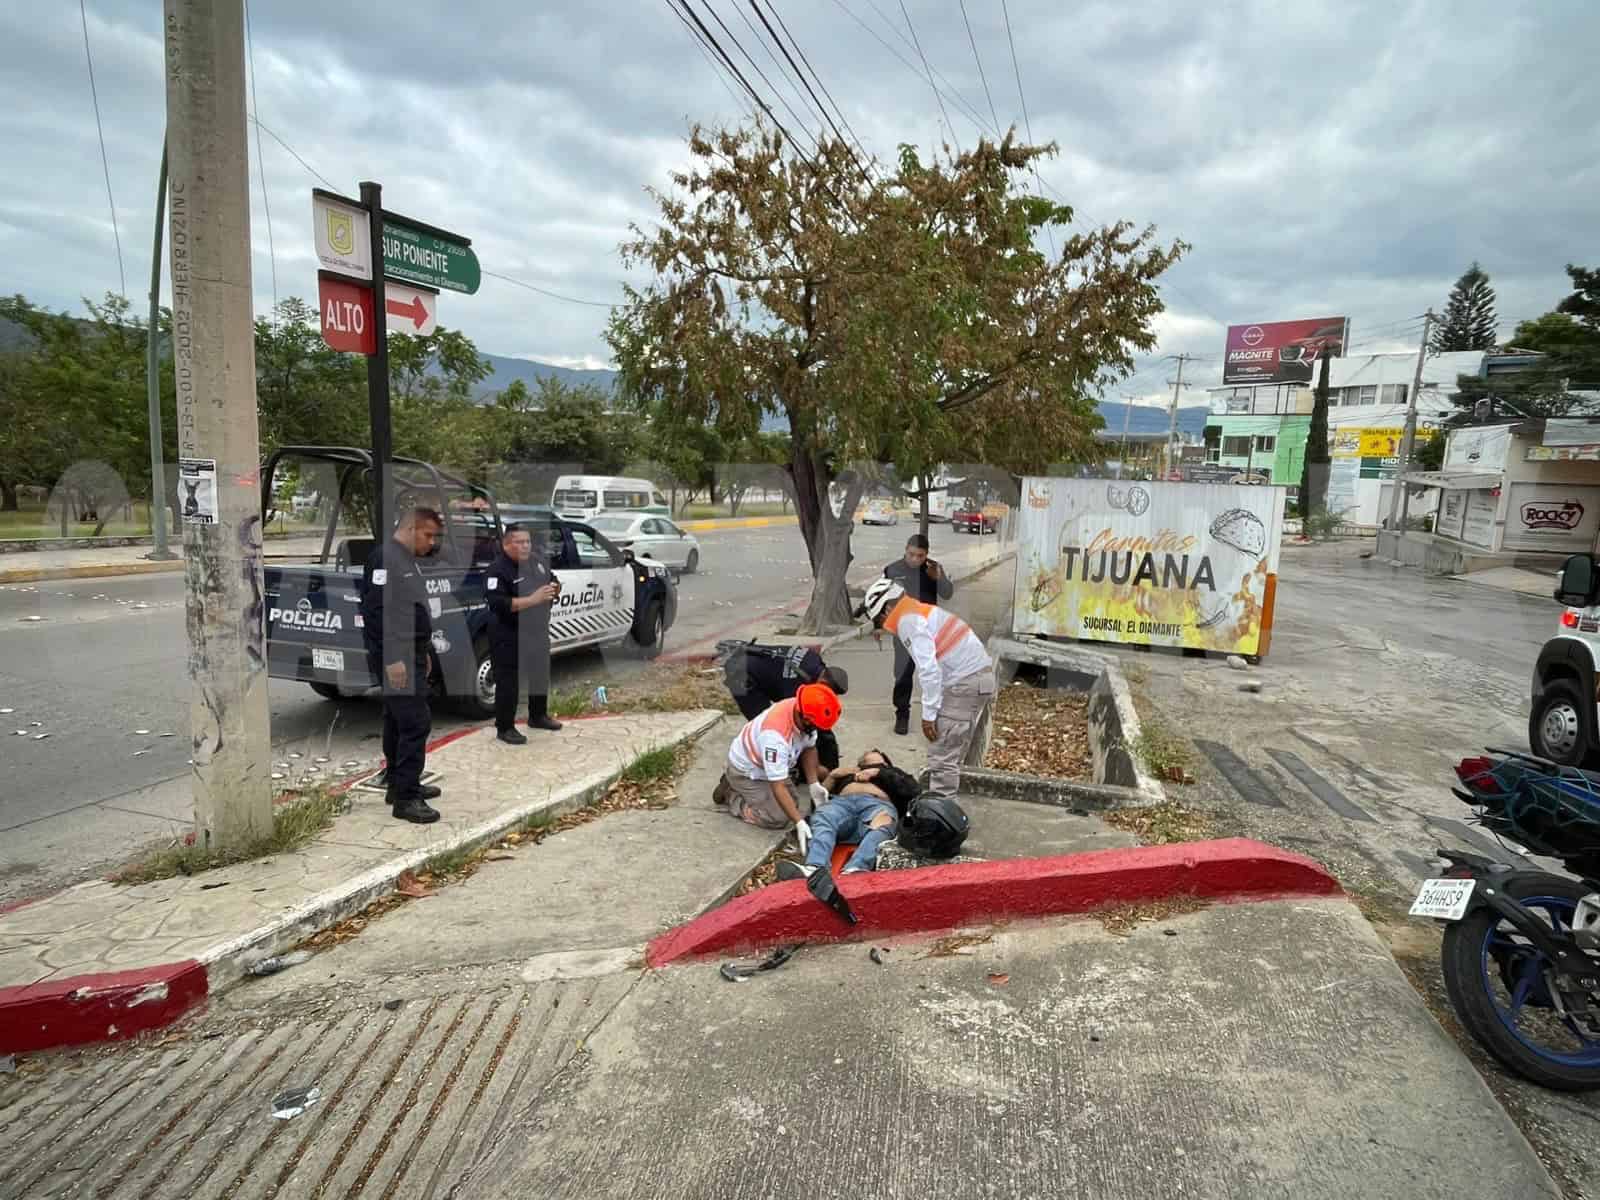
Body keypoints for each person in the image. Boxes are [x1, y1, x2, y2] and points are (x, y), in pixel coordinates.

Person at [857, 576, 994, 807]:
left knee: (942, 757)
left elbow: (929, 670)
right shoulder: (917, 611)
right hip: (974, 680)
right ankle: (942, 808)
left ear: (888, 608)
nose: (883, 625)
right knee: (949, 754)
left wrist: (929, 715)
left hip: (965, 683)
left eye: (880, 618)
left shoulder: (908, 620)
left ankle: (940, 817)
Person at [360, 507, 446, 824]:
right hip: (396, 656)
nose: (432, 542)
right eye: (428, 535)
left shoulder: (405, 558)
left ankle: (399, 785)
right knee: (415, 723)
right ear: (410, 529)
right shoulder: (386, 559)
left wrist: (423, 651)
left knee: (397, 721)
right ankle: (406, 800)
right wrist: (393, 658)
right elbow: (376, 613)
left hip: (411, 652)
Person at [713, 683, 841, 849]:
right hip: (747, 771)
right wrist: (799, 822)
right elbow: (778, 785)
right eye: (815, 726)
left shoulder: (803, 708)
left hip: (767, 766)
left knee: (792, 804)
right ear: (805, 719)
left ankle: (737, 786)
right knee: (776, 818)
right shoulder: (774, 737)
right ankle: (731, 794)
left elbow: (809, 747)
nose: (816, 730)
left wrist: (813, 783)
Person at [776, 749, 922, 879]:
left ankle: (856, 869)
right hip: (841, 804)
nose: (870, 753)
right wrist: (832, 777)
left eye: (877, 757)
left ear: (885, 763)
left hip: (876, 806)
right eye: (866, 757)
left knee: (885, 822)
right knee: (823, 817)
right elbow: (817, 802)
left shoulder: (893, 773)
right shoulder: (847, 773)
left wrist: (879, 772)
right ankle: (814, 867)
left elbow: (915, 791)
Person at [484, 523, 563, 744]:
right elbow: (498, 603)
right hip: (508, 633)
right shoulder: (497, 570)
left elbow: (552, 580)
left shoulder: (536, 561)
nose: (526, 546)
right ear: (506, 544)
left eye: (527, 541)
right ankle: (505, 727)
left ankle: (538, 716)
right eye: (520, 542)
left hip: (537, 630)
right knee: (508, 681)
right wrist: (533, 599)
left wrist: (555, 588)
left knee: (540, 674)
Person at [720, 640, 849, 771]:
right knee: (767, 724)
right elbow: (796, 722)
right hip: (740, 673)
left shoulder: (815, 660)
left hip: (754, 661)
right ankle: (770, 767)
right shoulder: (797, 686)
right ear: (822, 682)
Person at [881, 534, 953, 735]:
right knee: (903, 674)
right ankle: (902, 714)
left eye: (920, 556)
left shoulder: (933, 569)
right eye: (911, 554)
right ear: (906, 549)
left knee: (934, 673)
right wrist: (880, 623)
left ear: (926, 555)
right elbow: (881, 598)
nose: (915, 559)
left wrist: (939, 579)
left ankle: (935, 715)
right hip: (903, 632)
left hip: (929, 630)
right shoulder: (892, 570)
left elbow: (947, 593)